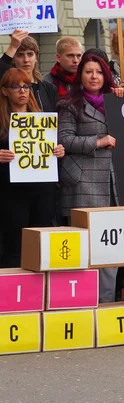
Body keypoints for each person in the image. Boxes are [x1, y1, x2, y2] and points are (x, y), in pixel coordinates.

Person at [57, 52, 120, 302]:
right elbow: (63, 140)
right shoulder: (69, 104)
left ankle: (105, 303)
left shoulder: (116, 101)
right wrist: (98, 141)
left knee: (110, 249)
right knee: (84, 248)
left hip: (112, 183)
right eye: (88, 71)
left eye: (98, 72)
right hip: (82, 182)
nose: (94, 76)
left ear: (105, 75)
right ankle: (80, 301)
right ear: (80, 75)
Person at [0, 69, 65, 267]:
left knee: (41, 246)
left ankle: (39, 294)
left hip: (42, 191)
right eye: (16, 86)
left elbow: (53, 151)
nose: (22, 91)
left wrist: (59, 151)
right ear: (4, 91)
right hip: (11, 193)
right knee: (14, 247)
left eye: (26, 86)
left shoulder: (42, 120)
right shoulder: (2, 121)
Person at [0, 30, 58, 112]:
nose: (26, 60)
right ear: (13, 59)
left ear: (36, 57)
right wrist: (13, 47)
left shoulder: (49, 88)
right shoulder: (7, 85)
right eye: (20, 55)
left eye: (30, 54)